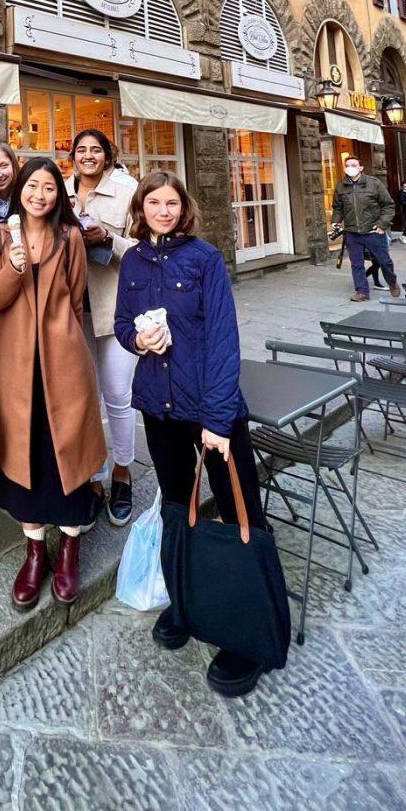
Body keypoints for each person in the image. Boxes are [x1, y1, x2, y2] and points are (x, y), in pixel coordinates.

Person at [114, 171, 277, 698]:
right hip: (159, 408)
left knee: (239, 510)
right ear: (141, 208)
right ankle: (183, 603)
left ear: (184, 208)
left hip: (211, 406)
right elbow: (120, 324)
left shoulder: (205, 258)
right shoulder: (133, 260)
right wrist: (137, 337)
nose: (163, 210)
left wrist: (217, 419)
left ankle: (247, 631)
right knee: (176, 507)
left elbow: (224, 340)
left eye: (172, 202)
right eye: (154, 202)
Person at [0, 158, 105, 610]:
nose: (40, 194)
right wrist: (14, 267)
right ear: (20, 190)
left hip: (63, 358)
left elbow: (76, 298)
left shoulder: (70, 237)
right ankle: (35, 552)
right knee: (26, 452)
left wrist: (65, 346)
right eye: (32, 185)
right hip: (15, 363)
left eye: (49, 188)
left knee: (66, 450)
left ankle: (69, 548)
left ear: (59, 195)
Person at [67, 129, 139, 527]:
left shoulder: (128, 190)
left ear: (108, 156)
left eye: (96, 150)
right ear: (73, 155)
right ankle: (93, 474)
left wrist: (108, 238)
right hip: (73, 311)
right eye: (82, 150)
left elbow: (145, 248)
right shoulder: (61, 189)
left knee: (117, 395)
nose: (88, 156)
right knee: (84, 398)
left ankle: (122, 471)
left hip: (114, 309)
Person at [329, 156, 401, 302]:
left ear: (361, 168)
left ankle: (392, 282)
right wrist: (336, 221)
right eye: (347, 165)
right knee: (356, 264)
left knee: (384, 261)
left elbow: (388, 205)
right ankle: (362, 291)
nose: (350, 167)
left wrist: (382, 225)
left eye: (353, 164)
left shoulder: (374, 183)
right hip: (352, 232)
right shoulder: (341, 186)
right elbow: (338, 207)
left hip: (373, 231)